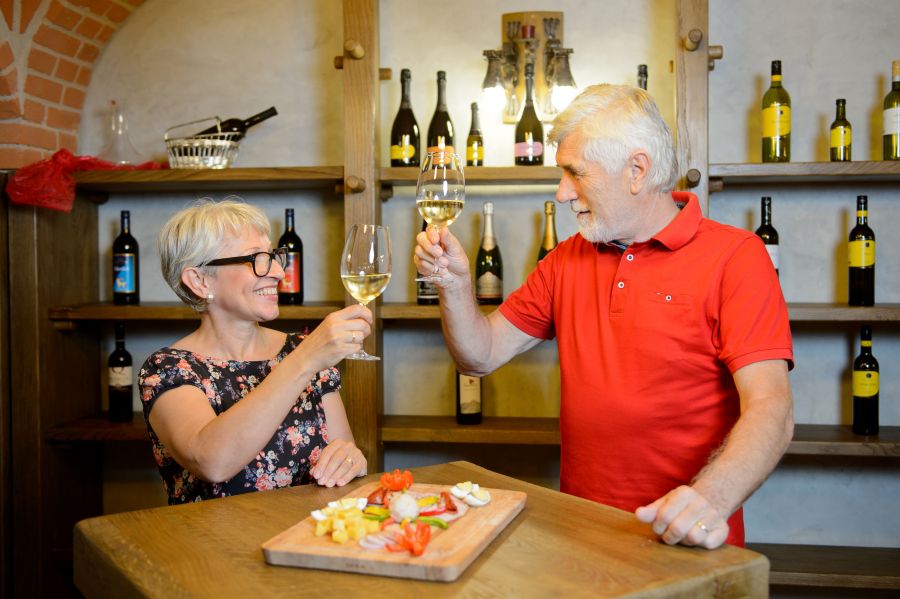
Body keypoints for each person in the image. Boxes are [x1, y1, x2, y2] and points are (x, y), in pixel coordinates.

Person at [414, 85, 794, 549]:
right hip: (581, 538)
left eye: (576, 173)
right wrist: (454, 286)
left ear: (637, 170)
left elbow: (772, 406)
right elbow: (480, 355)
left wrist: (709, 499)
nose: (561, 192)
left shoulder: (736, 257)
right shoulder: (566, 258)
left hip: (688, 542)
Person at [140, 198, 373, 504]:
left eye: (274, 256)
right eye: (256, 258)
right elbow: (212, 462)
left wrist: (351, 461)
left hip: (310, 531)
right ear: (199, 280)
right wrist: (306, 359)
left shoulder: (303, 350)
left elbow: (344, 455)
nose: (278, 272)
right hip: (215, 537)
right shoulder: (167, 369)